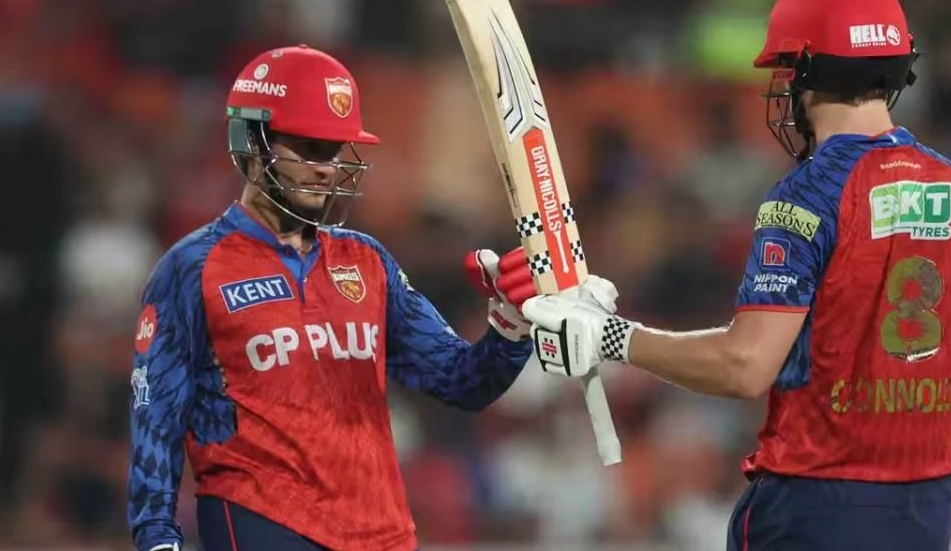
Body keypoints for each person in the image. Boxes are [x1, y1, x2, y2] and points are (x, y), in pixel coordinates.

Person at [512, 0, 951, 551]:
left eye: (787, 70)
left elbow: (744, 366)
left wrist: (611, 338)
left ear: (810, 72)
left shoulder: (806, 195)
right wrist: (854, 332)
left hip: (814, 504)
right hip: (923, 506)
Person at [126, 44, 615, 551]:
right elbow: (155, 417)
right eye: (311, 147)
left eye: (335, 150)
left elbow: (463, 383)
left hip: (379, 532)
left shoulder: (367, 262)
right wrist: (158, 537)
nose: (327, 167)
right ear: (252, 141)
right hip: (263, 522)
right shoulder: (192, 268)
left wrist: (511, 326)